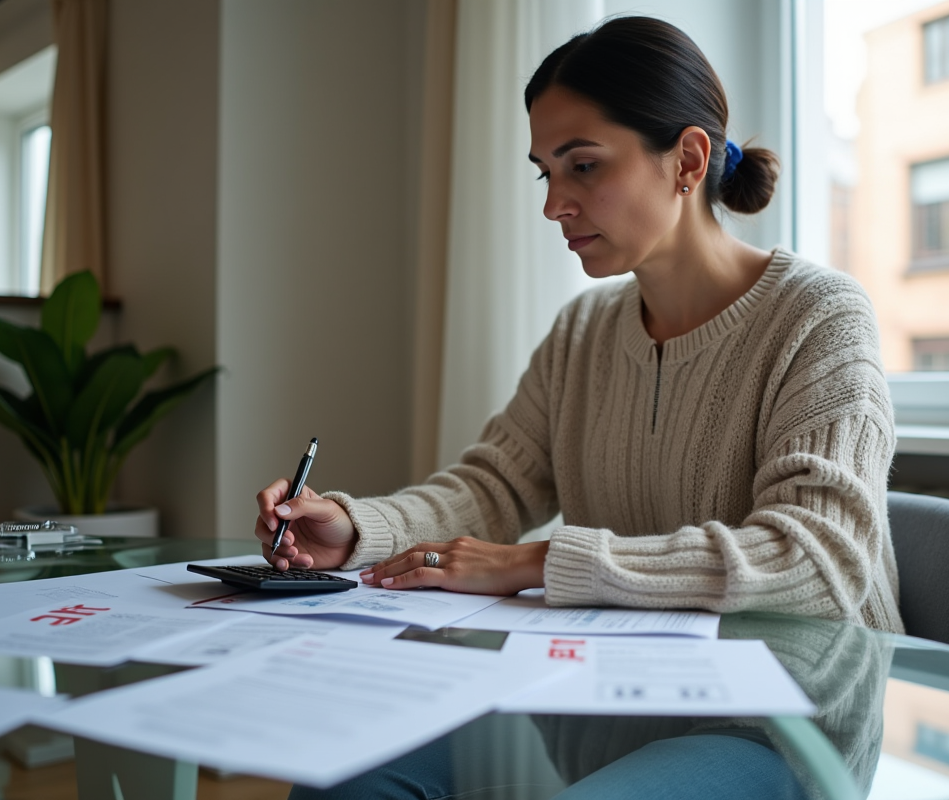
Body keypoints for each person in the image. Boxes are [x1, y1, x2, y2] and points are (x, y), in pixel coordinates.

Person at [265, 14, 903, 800]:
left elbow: (816, 561)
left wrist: (534, 562)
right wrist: (355, 529)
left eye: (584, 166)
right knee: (341, 779)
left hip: (777, 720)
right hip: (602, 698)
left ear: (688, 160)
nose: (553, 205)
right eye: (544, 173)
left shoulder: (819, 317)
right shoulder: (583, 331)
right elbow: (493, 489)